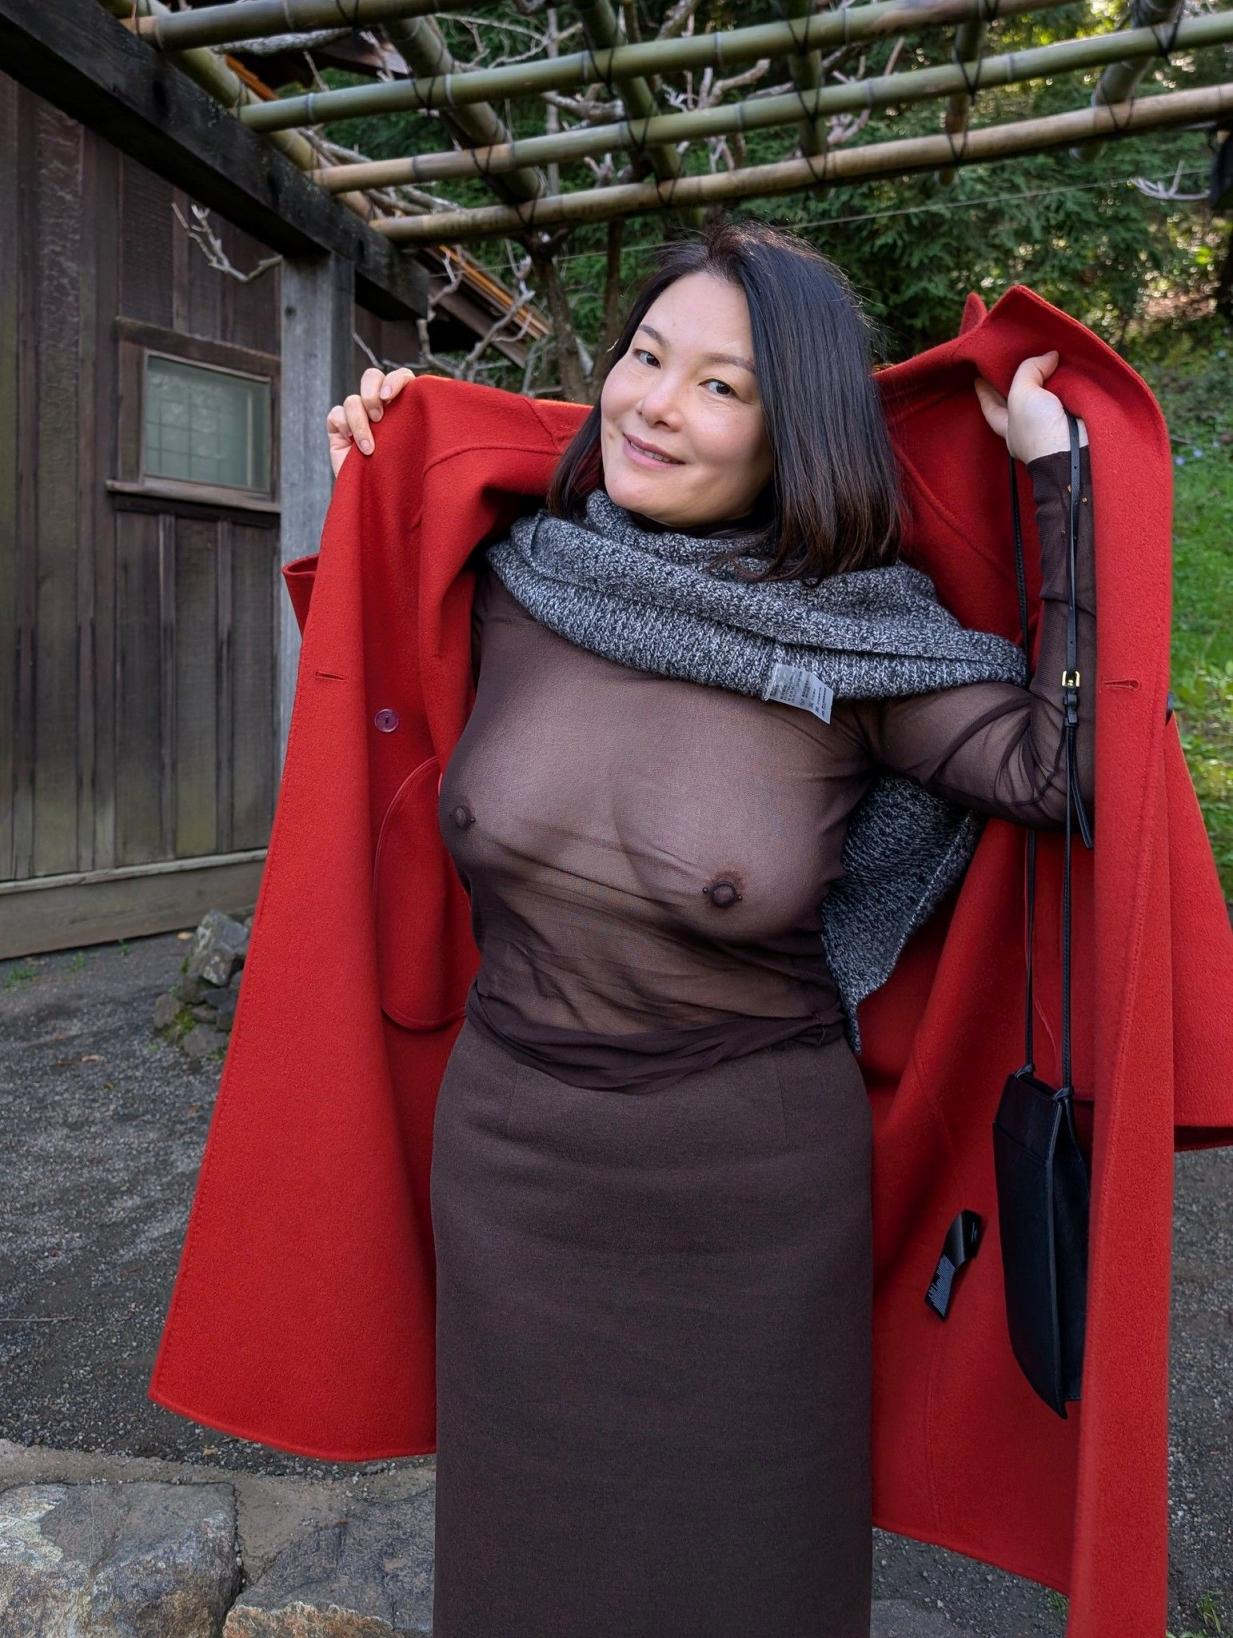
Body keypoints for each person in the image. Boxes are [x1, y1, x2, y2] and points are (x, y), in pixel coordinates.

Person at [323, 220, 1094, 1638]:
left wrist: (1056, 476)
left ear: (796, 434)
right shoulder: (515, 578)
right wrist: (389, 459)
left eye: (720, 385)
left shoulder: (861, 642)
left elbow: (1063, 771)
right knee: (522, 1575)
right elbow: (359, 671)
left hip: (749, 1197)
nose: (655, 405)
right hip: (511, 1166)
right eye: (643, 356)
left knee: (748, 1580)